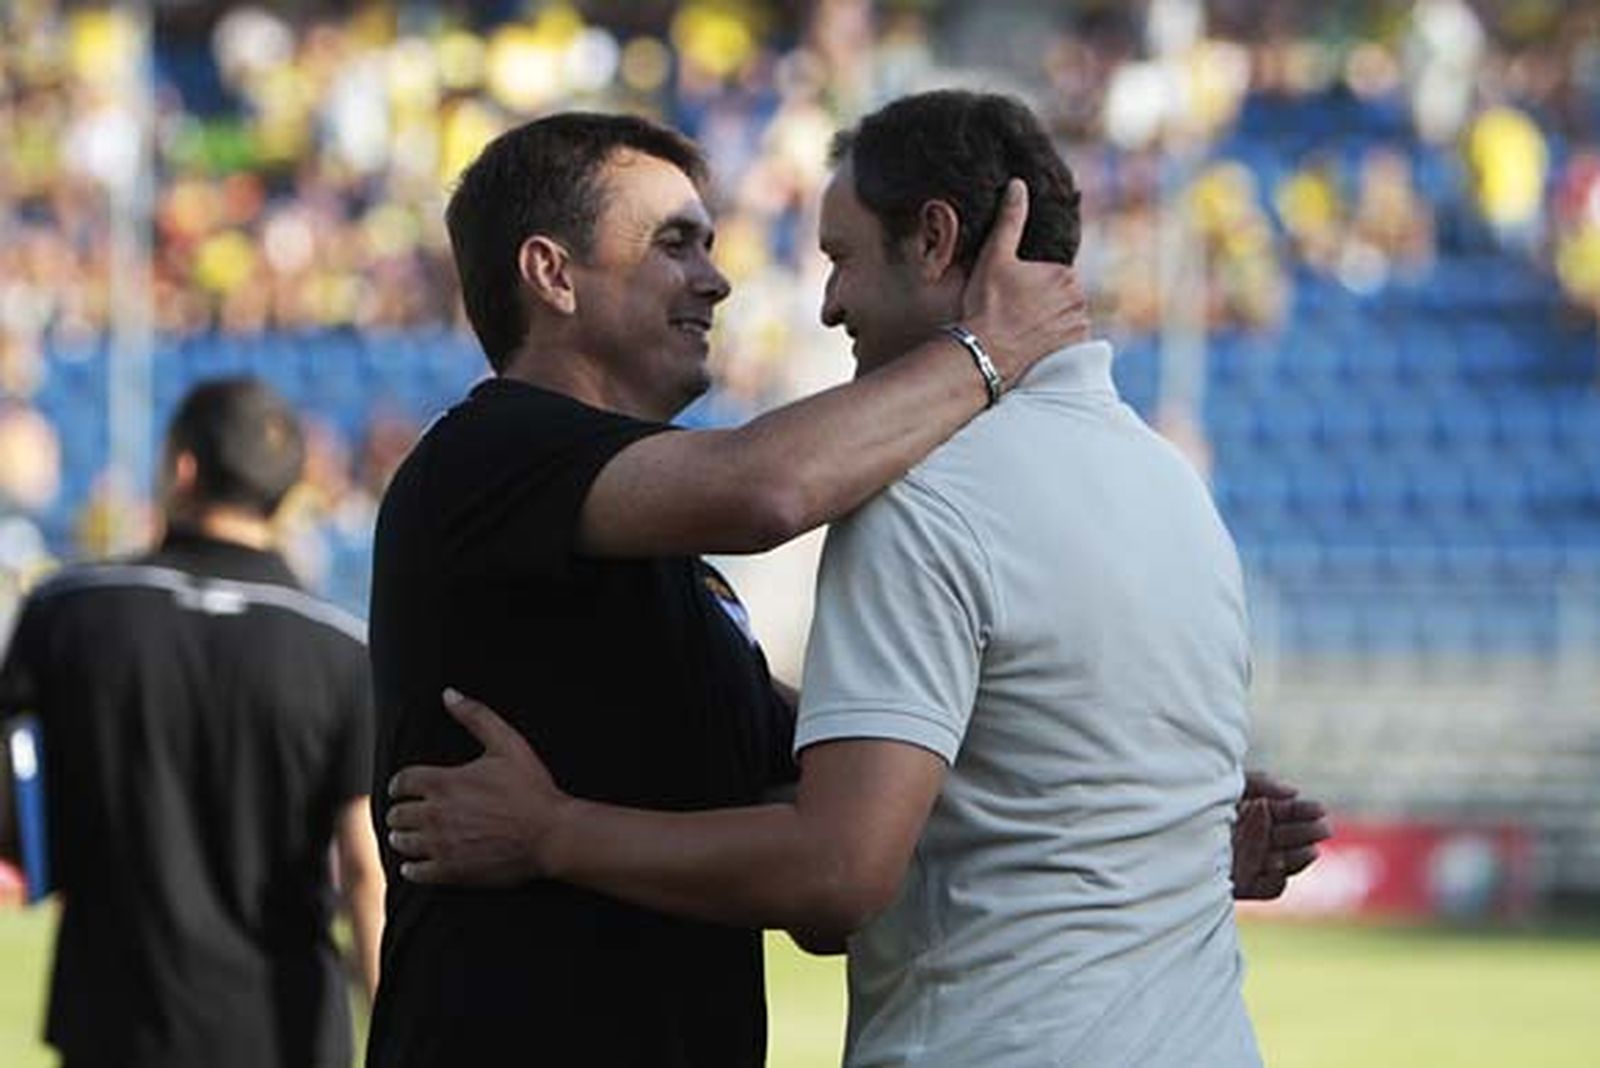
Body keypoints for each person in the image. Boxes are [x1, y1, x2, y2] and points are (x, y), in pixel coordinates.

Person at [386, 91, 1332, 1066]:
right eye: (675, 243)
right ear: (551, 273)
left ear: (933, 242)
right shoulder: (484, 455)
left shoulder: (681, 572)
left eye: (833, 261)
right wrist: (990, 350)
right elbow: (767, 489)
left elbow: (842, 814)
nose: (721, 283)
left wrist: (1138, 810)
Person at [0, 377, 383, 1068]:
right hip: (283, 1029)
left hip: (116, 1025)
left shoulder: (66, 613)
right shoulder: (342, 653)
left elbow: (16, 817)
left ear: (182, 468)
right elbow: (365, 868)